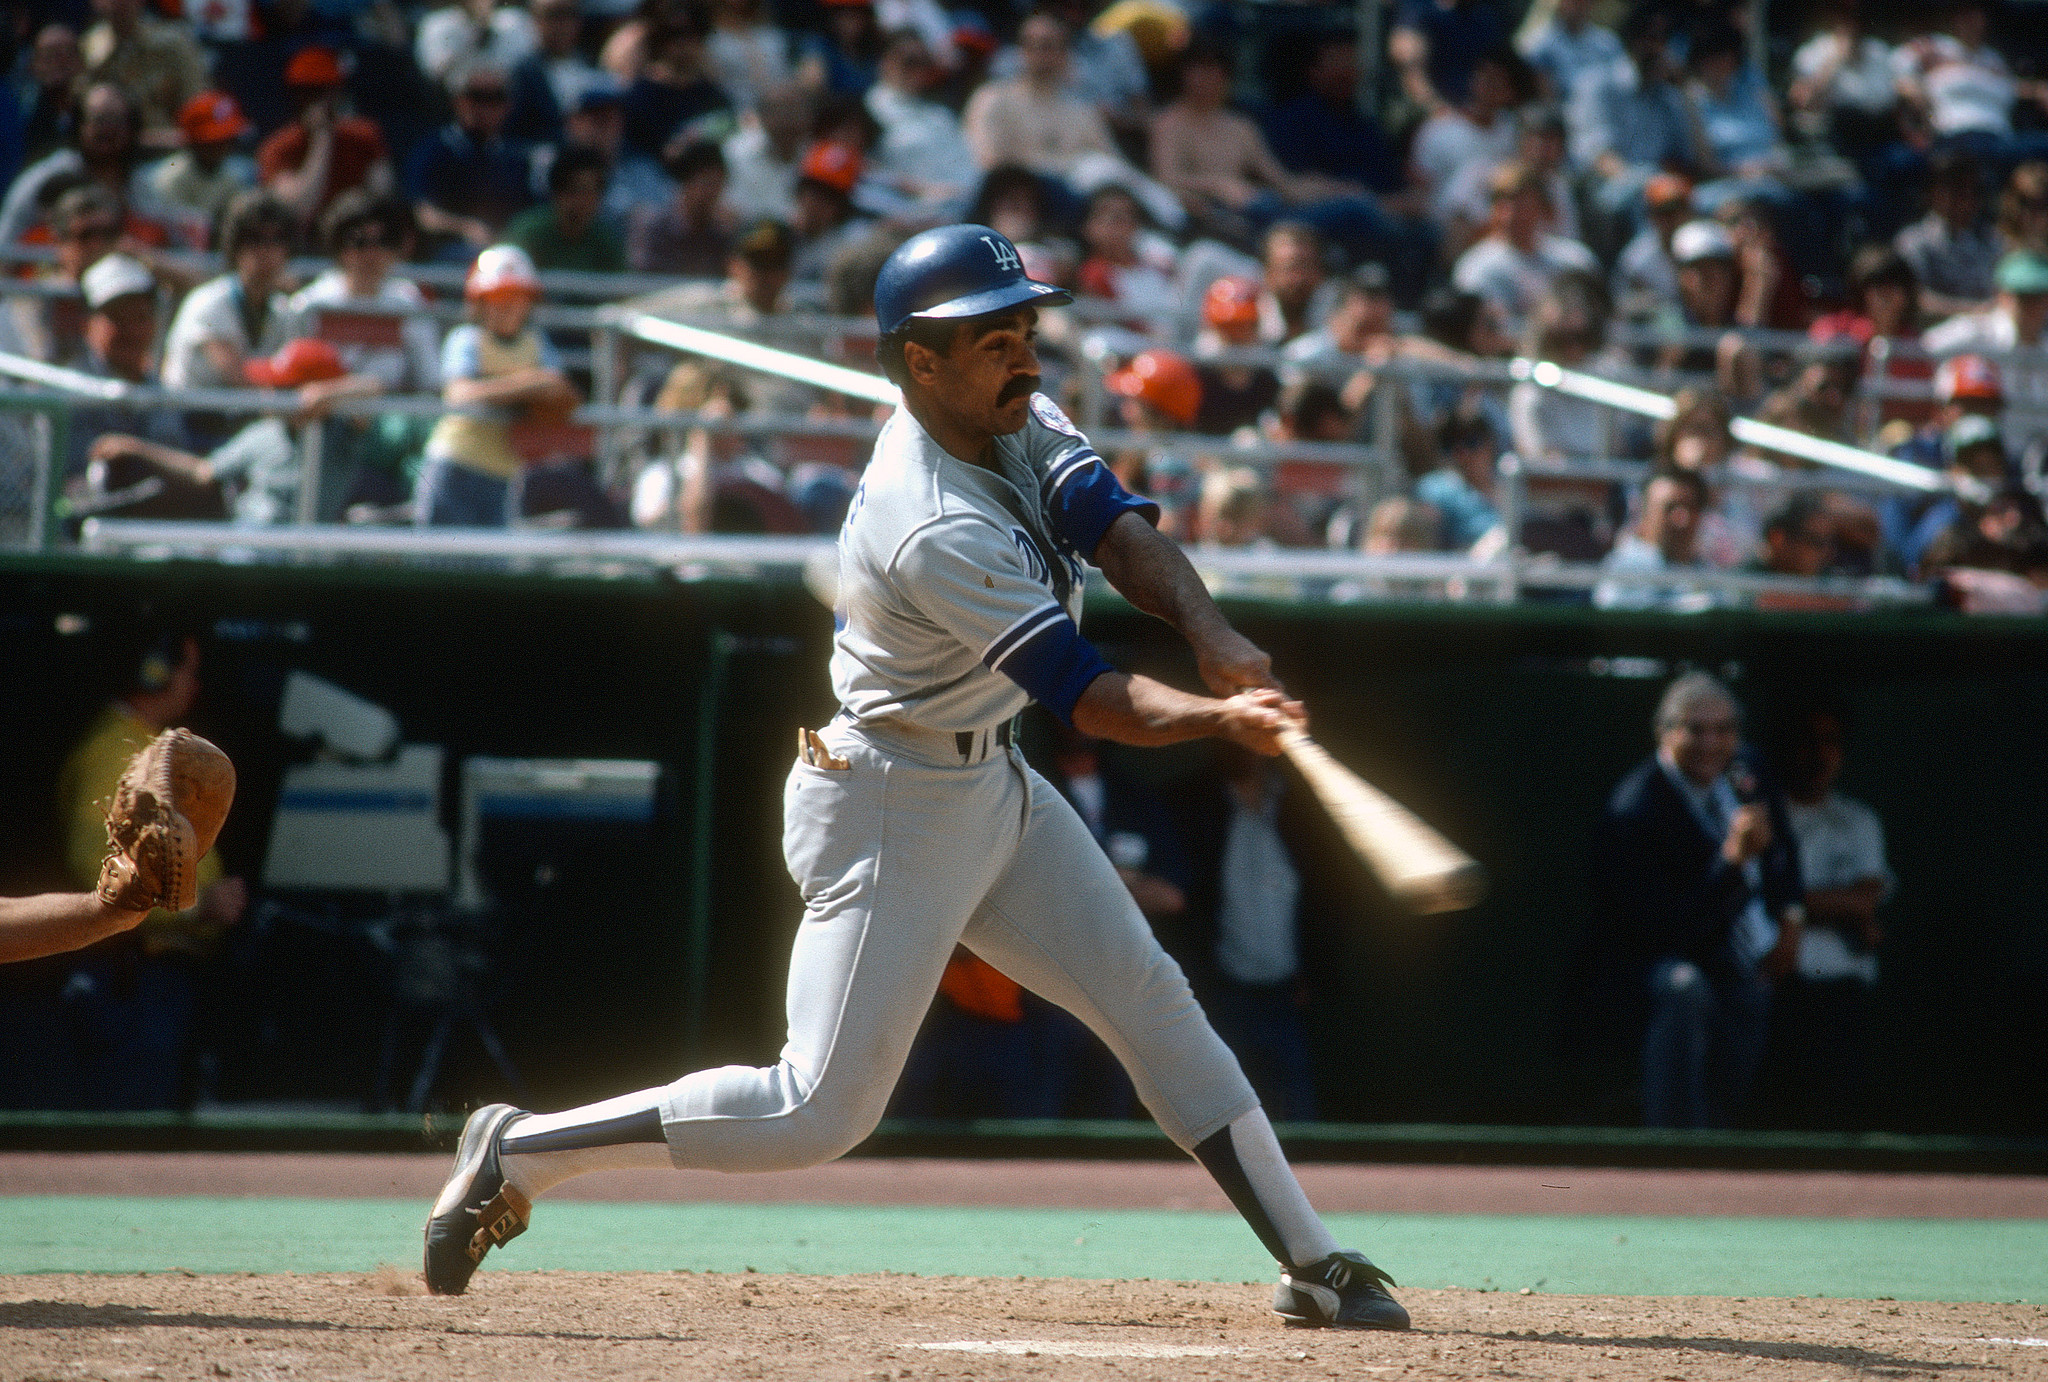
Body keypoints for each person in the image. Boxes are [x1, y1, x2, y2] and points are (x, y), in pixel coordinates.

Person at [421, 222, 1413, 1332]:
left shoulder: (1016, 410)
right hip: (889, 797)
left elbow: (1114, 529)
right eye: (989, 337)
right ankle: (517, 1147)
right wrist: (1218, 717)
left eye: (1022, 326)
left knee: (1150, 999)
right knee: (812, 1108)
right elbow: (1084, 694)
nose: (1021, 352)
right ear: (914, 359)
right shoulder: (924, 515)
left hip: (991, 780)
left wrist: (1211, 631)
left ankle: (1309, 1257)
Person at [1591, 672, 1803, 1129]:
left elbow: (1783, 846)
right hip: (1652, 959)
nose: (1711, 744)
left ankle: (1728, 1142)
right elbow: (1665, 929)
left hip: (1742, 946)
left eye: (1723, 730)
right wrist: (1731, 862)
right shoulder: (1636, 808)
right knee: (1686, 988)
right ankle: (1677, 1145)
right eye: (1695, 730)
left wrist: (1791, 919)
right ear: (1664, 734)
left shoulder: (1749, 768)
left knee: (1760, 992)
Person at [51, 630, 249, 1109]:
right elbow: (100, 872)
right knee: (133, 1127)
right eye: (189, 672)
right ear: (153, 672)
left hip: (153, 980)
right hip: (129, 981)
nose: (195, 686)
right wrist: (196, 908)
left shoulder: (147, 748)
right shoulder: (112, 754)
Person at [1770, 702, 1890, 1127]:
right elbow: (1756, 895)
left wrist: (1790, 904)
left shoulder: (1858, 821)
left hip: (1845, 991)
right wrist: (1836, 908)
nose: (1819, 754)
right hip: (1780, 985)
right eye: (1808, 741)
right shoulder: (1763, 815)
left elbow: (1865, 903)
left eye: (1831, 742)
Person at [419, 245, 579, 526]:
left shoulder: (537, 344)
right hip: (455, 465)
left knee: (492, 566)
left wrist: (540, 391)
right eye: (497, 297)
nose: (507, 306)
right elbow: (460, 394)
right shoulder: (466, 339)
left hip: (504, 474)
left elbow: (558, 388)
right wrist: (528, 383)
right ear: (479, 303)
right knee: (440, 563)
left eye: (516, 297)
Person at [159, 192, 296, 441]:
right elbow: (241, 379)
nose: (266, 251)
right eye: (255, 239)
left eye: (277, 240)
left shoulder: (282, 309)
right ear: (236, 245)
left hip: (237, 423)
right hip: (186, 424)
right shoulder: (210, 301)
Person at [407, 60, 543, 258]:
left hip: (507, 250)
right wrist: (466, 228)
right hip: (449, 252)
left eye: (496, 98)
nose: (487, 106)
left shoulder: (516, 157)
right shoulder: (435, 148)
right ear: (458, 101)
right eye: (477, 97)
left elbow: (530, 215)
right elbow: (422, 213)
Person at [1450, 161, 1597, 336]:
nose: (1512, 215)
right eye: (1503, 206)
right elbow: (1486, 333)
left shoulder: (1575, 259)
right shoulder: (1475, 266)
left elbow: (1596, 319)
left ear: (1543, 209)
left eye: (1523, 205)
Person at [256, 47, 394, 228]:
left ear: (338, 91)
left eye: (322, 90)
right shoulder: (277, 146)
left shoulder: (363, 135)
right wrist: (321, 138)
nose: (315, 100)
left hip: (353, 235)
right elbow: (294, 212)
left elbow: (383, 199)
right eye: (306, 91)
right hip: (301, 242)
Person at [80, 0, 207, 145]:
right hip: (113, 153)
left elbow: (198, 108)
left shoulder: (174, 45)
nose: (117, 4)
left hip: (171, 149)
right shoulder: (89, 48)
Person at [1593, 467, 1716, 611]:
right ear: (1644, 514)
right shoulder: (1622, 568)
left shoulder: (1710, 571)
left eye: (1692, 507)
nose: (1682, 519)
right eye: (1670, 507)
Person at [1895, 151, 1996, 323]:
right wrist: (1974, 312)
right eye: (1955, 189)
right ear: (1932, 192)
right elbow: (1917, 299)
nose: (1965, 198)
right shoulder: (1913, 241)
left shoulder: (1989, 238)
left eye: (1971, 190)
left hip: (1987, 333)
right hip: (1934, 336)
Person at [508, 142, 628, 272]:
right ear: (557, 192)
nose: (583, 200)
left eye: (591, 192)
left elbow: (625, 286)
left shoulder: (606, 239)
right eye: (576, 190)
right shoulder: (529, 232)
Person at [505, 0, 609, 145]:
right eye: (554, 15)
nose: (563, 24)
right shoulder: (524, 73)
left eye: (570, 15)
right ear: (535, 20)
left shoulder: (591, 64)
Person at [149, 93, 256, 229]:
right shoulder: (170, 178)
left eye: (227, 139)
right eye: (213, 141)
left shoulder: (235, 175)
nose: (222, 146)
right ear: (194, 142)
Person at [629, 136, 729, 274]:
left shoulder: (719, 236)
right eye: (706, 183)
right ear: (686, 181)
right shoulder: (653, 228)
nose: (712, 192)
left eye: (717, 184)